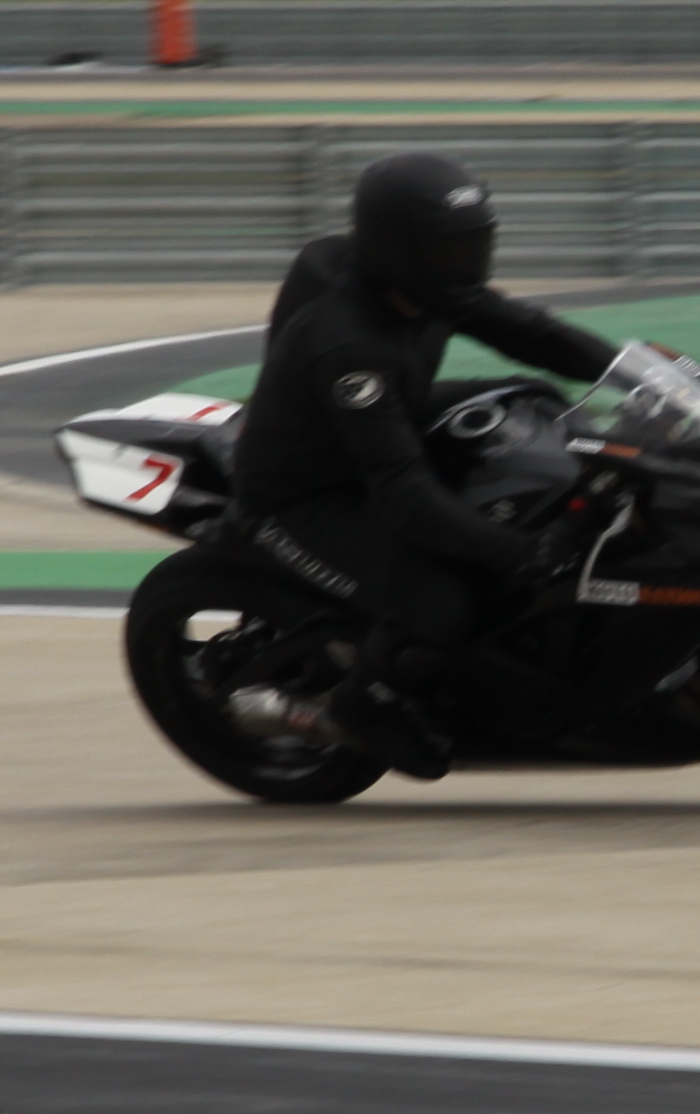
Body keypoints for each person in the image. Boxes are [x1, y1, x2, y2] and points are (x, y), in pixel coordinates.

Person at [232, 151, 618, 777]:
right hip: (305, 495)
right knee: (447, 599)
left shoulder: (424, 287)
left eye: (474, 245)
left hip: (384, 425)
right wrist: (517, 553)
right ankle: (363, 704)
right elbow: (401, 492)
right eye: (451, 249)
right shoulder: (351, 345)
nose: (468, 263)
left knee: (534, 398)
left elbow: (532, 332)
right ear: (398, 250)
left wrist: (636, 373)